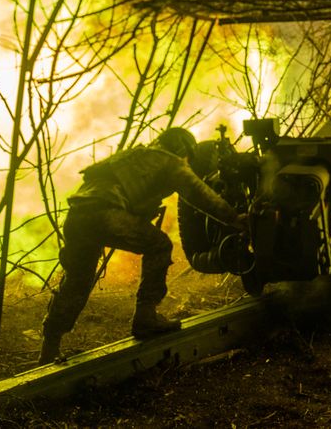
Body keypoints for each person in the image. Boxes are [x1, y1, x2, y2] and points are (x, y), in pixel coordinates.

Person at [39, 127, 245, 364]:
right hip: (106, 214)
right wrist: (233, 218)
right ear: (181, 148)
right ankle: (146, 316)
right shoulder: (170, 161)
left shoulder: (132, 156)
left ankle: (49, 347)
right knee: (159, 246)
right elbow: (198, 193)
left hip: (77, 217)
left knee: (77, 282)